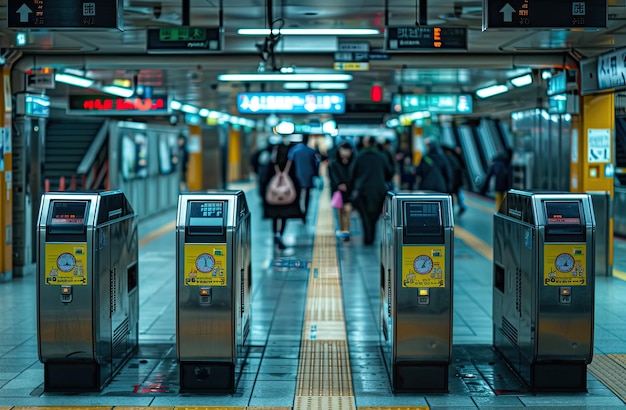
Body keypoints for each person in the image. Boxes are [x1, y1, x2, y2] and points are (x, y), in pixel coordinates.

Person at [260, 135, 303, 249]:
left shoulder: (271, 163)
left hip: (273, 194)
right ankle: (280, 234)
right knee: (284, 216)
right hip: (287, 195)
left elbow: (264, 179)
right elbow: (296, 179)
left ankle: (275, 233)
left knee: (274, 216)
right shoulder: (290, 163)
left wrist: (262, 194)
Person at [351, 136, 393, 245]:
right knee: (374, 215)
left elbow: (352, 173)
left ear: (366, 143)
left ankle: (367, 237)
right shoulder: (381, 156)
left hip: (363, 190)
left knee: (365, 215)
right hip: (379, 190)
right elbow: (389, 172)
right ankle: (372, 236)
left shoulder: (360, 157)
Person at [288, 134, 319, 222]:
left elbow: (290, 164)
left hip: (296, 176)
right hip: (308, 176)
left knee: (297, 195)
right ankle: (305, 213)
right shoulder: (311, 151)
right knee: (307, 196)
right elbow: (315, 164)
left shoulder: (294, 150)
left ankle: (298, 212)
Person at [328, 142, 355, 240]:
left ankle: (346, 231)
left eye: (347, 150)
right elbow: (332, 176)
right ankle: (342, 229)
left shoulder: (354, 162)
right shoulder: (334, 163)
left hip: (349, 191)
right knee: (340, 211)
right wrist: (339, 184)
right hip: (338, 192)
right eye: (343, 150)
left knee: (347, 210)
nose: (345, 153)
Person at [442, 145, 467, 215]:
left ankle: (453, 208)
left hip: (453, 181)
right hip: (456, 181)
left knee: (453, 194)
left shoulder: (449, 159)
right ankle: (460, 206)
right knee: (457, 193)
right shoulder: (455, 158)